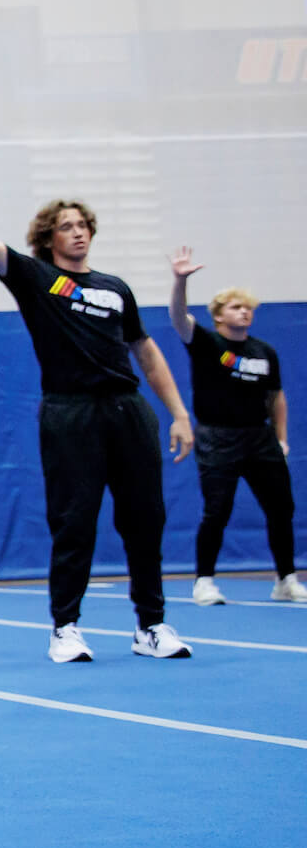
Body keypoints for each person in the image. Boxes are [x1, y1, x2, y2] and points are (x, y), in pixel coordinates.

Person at [0, 139, 193, 662]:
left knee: (145, 518)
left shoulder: (115, 288)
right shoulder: (36, 278)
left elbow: (146, 352)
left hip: (128, 410)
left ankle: (151, 625)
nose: (77, 231)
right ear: (48, 236)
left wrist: (180, 414)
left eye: (83, 224)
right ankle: (66, 627)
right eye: (67, 225)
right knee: (73, 520)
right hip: (70, 412)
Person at [168, 250, 295, 602]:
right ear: (219, 315)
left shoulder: (264, 352)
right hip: (218, 437)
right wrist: (180, 281)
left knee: (281, 508)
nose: (244, 311)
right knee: (217, 509)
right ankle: (204, 581)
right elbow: (178, 318)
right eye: (236, 307)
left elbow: (276, 397)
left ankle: (285, 580)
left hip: (260, 437)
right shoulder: (208, 343)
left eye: (248, 307)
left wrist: (281, 439)